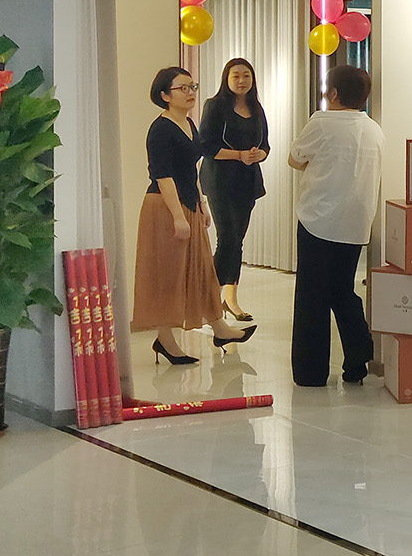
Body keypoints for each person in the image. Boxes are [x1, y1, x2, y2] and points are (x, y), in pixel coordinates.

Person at [130, 67, 256, 365]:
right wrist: (178, 216)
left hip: (189, 203)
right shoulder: (160, 129)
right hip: (165, 206)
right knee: (168, 274)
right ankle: (165, 339)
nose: (190, 93)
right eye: (183, 88)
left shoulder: (187, 123)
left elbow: (191, 171)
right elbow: (162, 176)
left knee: (201, 270)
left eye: (192, 87)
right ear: (165, 95)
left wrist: (201, 204)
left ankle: (219, 328)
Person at [287, 65, 384, 387]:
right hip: (356, 223)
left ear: (334, 93)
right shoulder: (374, 129)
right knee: (343, 291)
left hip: (319, 220)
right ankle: (358, 360)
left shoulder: (322, 121)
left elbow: (295, 159)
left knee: (312, 297)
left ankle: (310, 373)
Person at [198, 58, 270, 322]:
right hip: (220, 181)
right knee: (227, 239)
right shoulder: (215, 106)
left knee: (236, 241)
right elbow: (206, 146)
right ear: (226, 79)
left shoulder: (256, 108)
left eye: (246, 76)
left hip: (247, 182)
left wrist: (260, 154)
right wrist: (239, 155)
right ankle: (209, 300)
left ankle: (230, 300)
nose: (241, 81)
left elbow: (266, 145)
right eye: (236, 76)